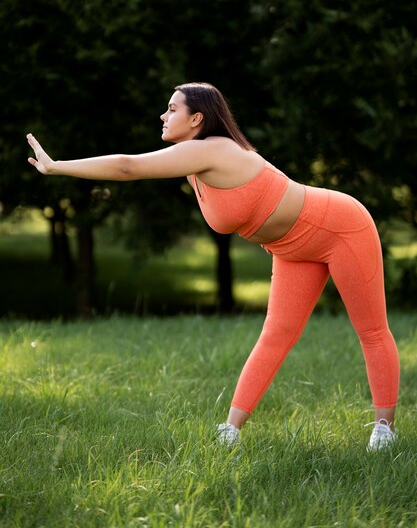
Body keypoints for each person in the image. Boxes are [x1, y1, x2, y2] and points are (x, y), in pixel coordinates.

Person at [27, 81, 400, 450]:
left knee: (370, 329)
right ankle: (231, 431)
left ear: (197, 119)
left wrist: (58, 166)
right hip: (289, 247)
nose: (163, 114)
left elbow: (127, 167)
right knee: (276, 335)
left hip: (340, 227)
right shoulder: (193, 162)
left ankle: (384, 430)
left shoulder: (212, 150)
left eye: (173, 108)